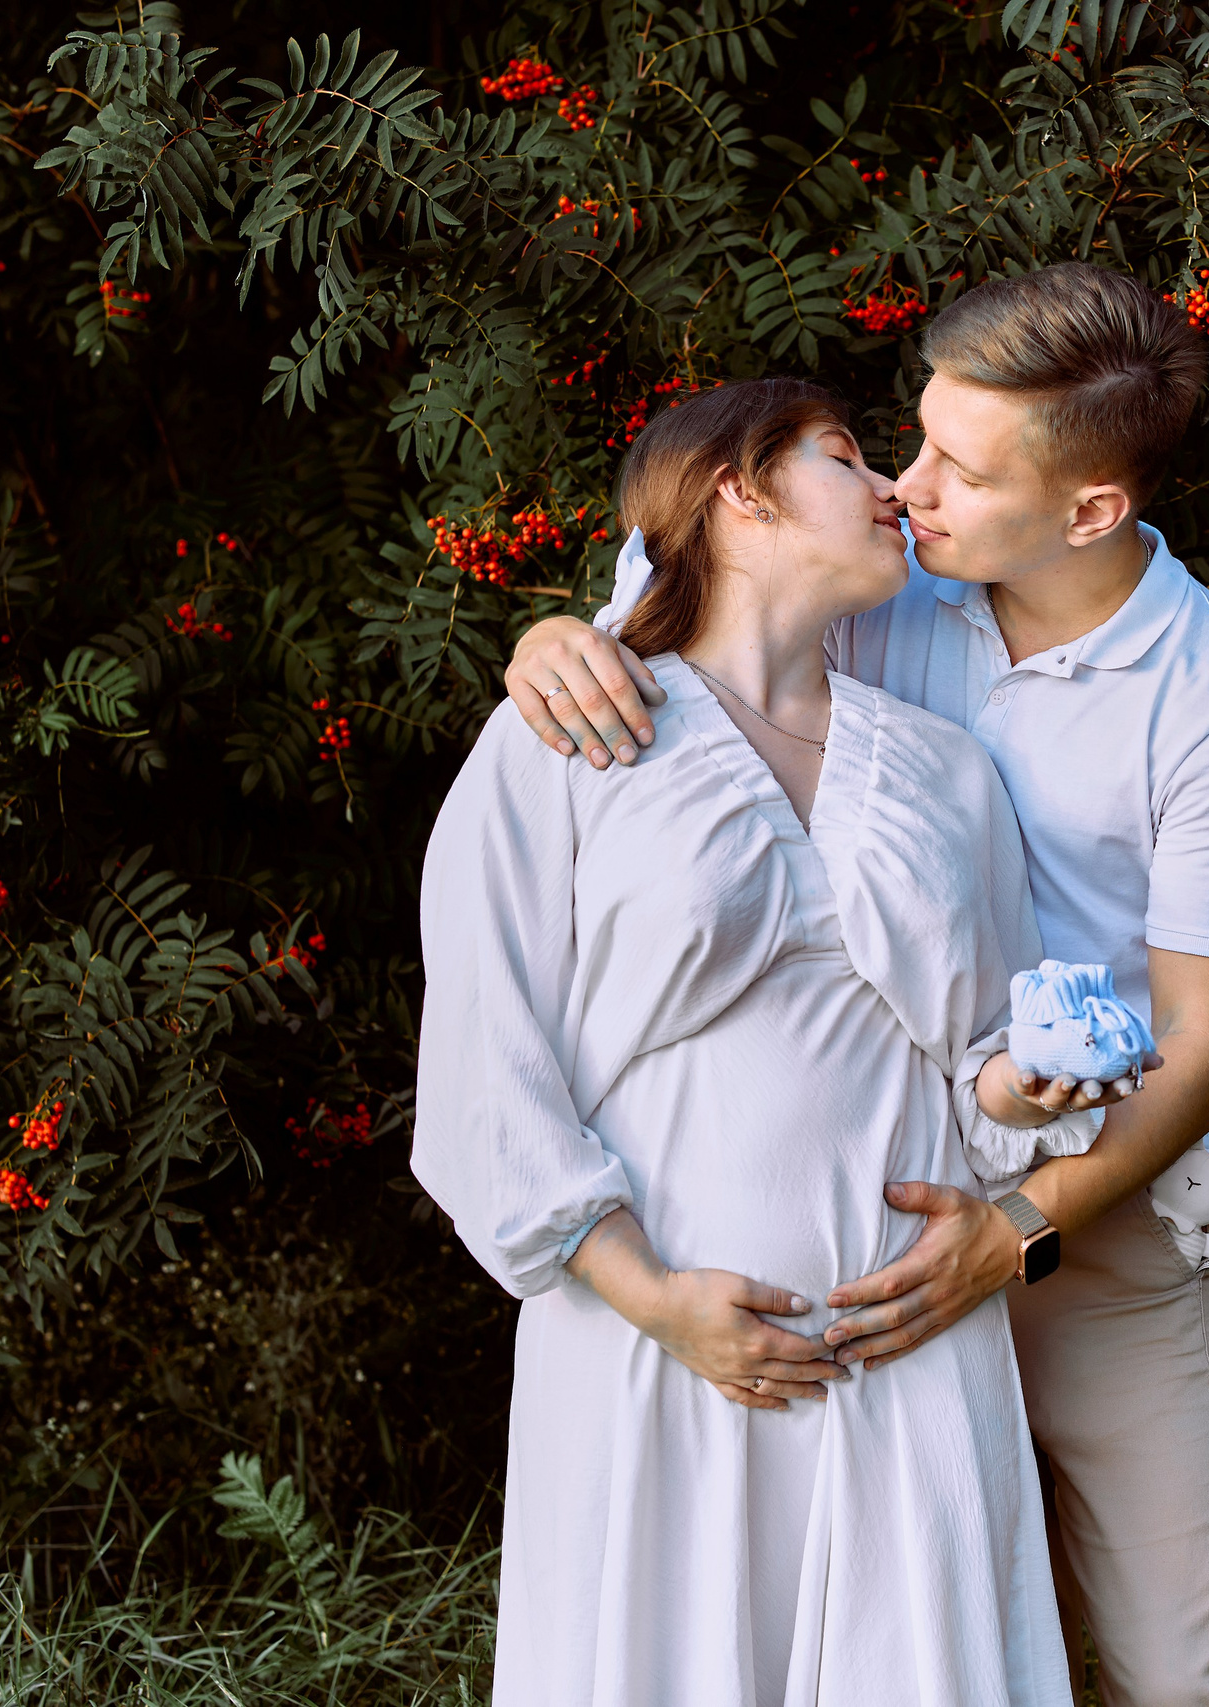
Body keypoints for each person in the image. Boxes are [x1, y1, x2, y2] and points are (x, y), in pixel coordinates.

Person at [505, 264, 1209, 1707]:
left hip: (1098, 1232)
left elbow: (1204, 1041)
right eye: (915, 436)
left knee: (1176, 1669)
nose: (907, 486)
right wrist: (552, 643)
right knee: (925, 1648)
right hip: (859, 1221)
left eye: (960, 467)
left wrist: (1018, 1233)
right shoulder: (881, 583)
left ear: (1090, 513)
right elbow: (671, 617)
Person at [415, 377, 1116, 1707]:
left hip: (908, 1346)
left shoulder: (945, 770)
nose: (894, 491)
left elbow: (983, 1066)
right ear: (738, 488)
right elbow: (482, 1076)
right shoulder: (564, 735)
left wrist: (1029, 1086)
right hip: (654, 1350)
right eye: (850, 457)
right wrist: (655, 1300)